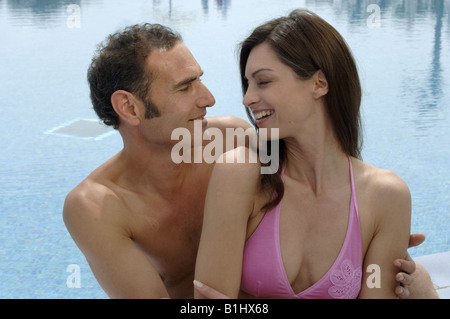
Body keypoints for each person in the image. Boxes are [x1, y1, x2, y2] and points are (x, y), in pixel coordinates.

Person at [63, 23, 435, 299]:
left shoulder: (231, 138)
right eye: (185, 87)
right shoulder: (97, 206)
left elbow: (318, 162)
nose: (209, 98)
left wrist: (372, 233)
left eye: (200, 80)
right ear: (129, 107)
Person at [194, 9, 439, 299]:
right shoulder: (239, 173)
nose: (247, 98)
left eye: (263, 81)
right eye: (247, 84)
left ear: (319, 83)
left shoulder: (386, 197)